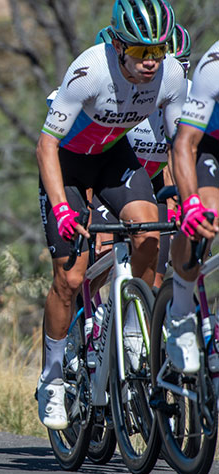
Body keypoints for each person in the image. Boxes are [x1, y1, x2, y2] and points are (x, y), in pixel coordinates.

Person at [36, 0, 186, 430]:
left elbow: (180, 145)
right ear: (118, 46)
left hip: (112, 156)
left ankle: (131, 331)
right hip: (66, 162)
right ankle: (52, 379)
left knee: (150, 232)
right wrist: (63, 208)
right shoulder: (90, 72)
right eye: (140, 53)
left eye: (157, 51)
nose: (151, 63)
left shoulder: (171, 75)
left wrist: (181, 195)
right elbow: (46, 145)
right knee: (70, 277)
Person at [94, 24, 191, 288]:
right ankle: (91, 311)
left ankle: (139, 323)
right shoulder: (131, 97)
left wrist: (179, 199)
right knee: (101, 255)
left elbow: (177, 152)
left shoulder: (184, 97)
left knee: (155, 271)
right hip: (113, 181)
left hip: (153, 182)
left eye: (183, 67)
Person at [165, 39, 219, 376]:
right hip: (211, 145)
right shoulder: (213, 66)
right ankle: (181, 313)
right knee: (207, 217)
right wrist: (192, 204)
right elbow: (184, 142)